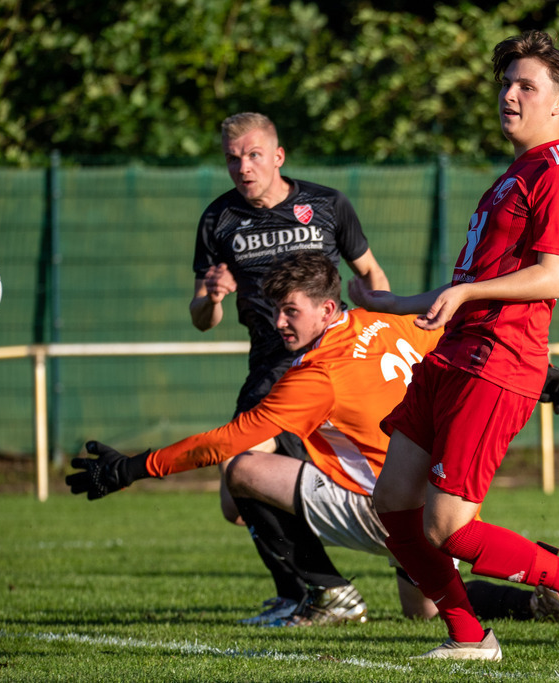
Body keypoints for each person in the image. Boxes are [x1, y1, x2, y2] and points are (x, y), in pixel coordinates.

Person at [66, 251, 559, 627]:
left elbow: (229, 440)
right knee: (425, 609)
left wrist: (131, 468)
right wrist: (544, 376)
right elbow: (463, 352)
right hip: (431, 496)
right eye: (276, 311)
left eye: (291, 310)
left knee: (241, 470)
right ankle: (537, 600)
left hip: (384, 505)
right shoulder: (389, 323)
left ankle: (327, 594)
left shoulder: (319, 373)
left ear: (328, 310)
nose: (279, 322)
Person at [347, 30, 559, 661]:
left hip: (498, 364)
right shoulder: (516, 173)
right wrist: (391, 304)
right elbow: (465, 288)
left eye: (525, 86)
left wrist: (466, 293)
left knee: (448, 528)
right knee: (393, 505)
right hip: (452, 355)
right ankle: (469, 637)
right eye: (506, 83)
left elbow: (552, 276)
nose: (509, 95)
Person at [189, 112, 391, 624]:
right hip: (271, 372)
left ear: (279, 156)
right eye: (233, 158)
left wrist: (383, 328)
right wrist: (212, 296)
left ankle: (318, 592)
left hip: (336, 365)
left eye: (254, 154)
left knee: (242, 472)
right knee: (236, 505)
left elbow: (369, 275)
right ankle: (304, 589)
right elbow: (201, 318)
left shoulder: (325, 205)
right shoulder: (219, 220)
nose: (243, 167)